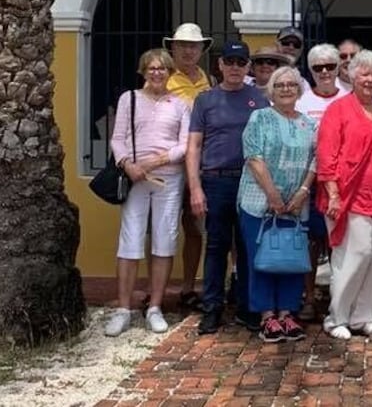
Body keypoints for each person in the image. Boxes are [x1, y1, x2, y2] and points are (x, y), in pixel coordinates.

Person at [316, 50, 372, 340]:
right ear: (352, 76)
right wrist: (332, 194)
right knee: (354, 255)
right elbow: (327, 155)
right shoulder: (338, 110)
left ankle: (363, 317)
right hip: (350, 197)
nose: (370, 79)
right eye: (364, 73)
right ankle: (337, 317)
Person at [105, 49, 190, 336]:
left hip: (168, 179)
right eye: (152, 68)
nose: (157, 73)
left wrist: (156, 161)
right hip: (134, 178)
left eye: (162, 69)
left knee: (165, 239)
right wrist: (128, 164)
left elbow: (184, 145)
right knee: (130, 238)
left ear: (170, 73)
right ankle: (124, 309)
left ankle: (155, 307)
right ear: (143, 71)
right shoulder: (129, 99)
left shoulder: (180, 105)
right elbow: (117, 139)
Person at [187, 41, 270, 335]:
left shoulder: (259, 99)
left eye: (241, 62)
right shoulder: (205, 100)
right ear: (220, 65)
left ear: (248, 67)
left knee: (248, 247)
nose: (235, 67)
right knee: (217, 247)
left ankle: (248, 308)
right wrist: (195, 187)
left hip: (250, 181)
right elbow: (194, 146)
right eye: (230, 61)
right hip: (216, 180)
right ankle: (212, 309)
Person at [237, 66, 316, 343]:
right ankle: (267, 316)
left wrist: (302, 193)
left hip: (295, 205)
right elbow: (254, 157)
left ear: (299, 90)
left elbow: (316, 161)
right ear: (271, 89)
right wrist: (273, 197)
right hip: (259, 202)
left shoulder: (308, 124)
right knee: (262, 258)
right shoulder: (259, 117)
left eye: (291, 85)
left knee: (290, 257)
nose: (286, 89)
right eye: (280, 85)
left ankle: (287, 313)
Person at [295, 43, 349, 321]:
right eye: (318, 67)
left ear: (339, 67)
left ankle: (339, 300)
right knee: (312, 242)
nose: (325, 72)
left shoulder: (351, 97)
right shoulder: (302, 101)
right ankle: (308, 297)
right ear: (311, 70)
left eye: (330, 66)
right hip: (311, 182)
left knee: (340, 243)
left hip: (345, 183)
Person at [164, 22, 213, 311]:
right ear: (172, 47)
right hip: (170, 162)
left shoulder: (205, 78)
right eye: (182, 45)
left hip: (200, 161)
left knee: (195, 228)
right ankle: (155, 289)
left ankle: (188, 287)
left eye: (193, 46)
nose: (188, 50)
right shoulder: (164, 78)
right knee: (163, 227)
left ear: (201, 50)